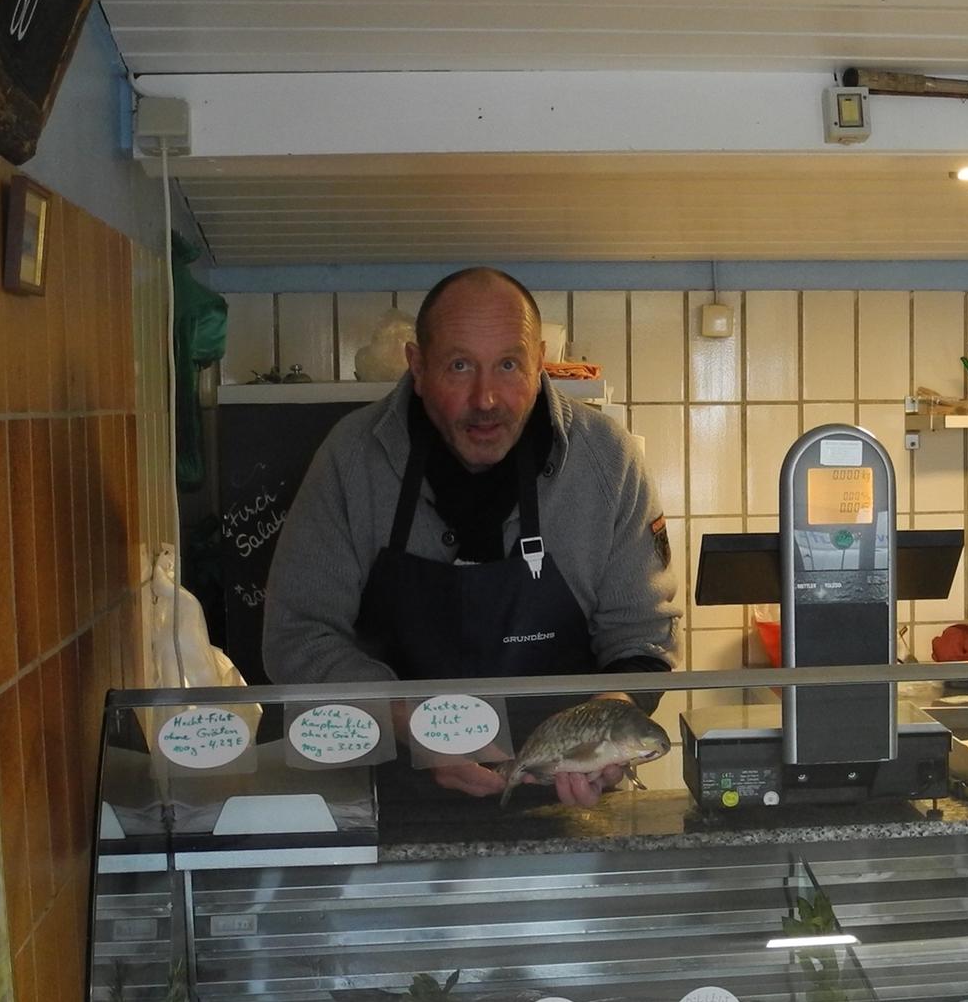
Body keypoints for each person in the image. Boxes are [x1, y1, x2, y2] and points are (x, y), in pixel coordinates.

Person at [263, 267, 680, 803]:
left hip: (567, 802)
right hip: (380, 799)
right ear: (418, 366)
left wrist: (604, 736)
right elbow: (296, 635)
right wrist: (404, 718)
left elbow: (643, 638)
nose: (486, 398)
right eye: (460, 366)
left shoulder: (606, 459)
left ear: (539, 362)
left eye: (508, 365)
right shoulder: (352, 457)